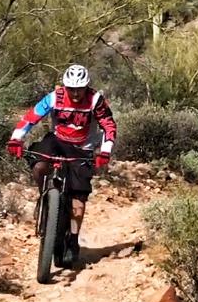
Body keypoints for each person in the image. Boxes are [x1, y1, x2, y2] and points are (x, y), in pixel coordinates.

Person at [7, 64, 117, 265]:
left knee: (78, 199)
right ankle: (45, 197)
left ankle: (73, 240)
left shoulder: (95, 100)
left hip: (82, 147)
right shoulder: (55, 97)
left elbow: (108, 125)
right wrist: (17, 138)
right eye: (71, 88)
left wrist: (105, 151)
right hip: (57, 140)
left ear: (86, 87)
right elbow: (32, 117)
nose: (75, 93)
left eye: (79, 88)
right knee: (39, 164)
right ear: (65, 86)